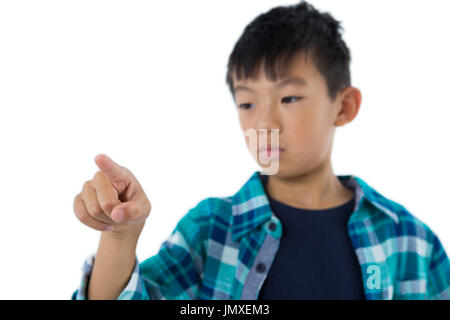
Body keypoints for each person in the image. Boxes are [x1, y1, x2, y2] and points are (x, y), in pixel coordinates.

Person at [71, 0, 450, 300]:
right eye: (247, 103)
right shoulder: (211, 230)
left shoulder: (410, 240)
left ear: (344, 106)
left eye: (289, 97)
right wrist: (120, 235)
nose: (264, 123)